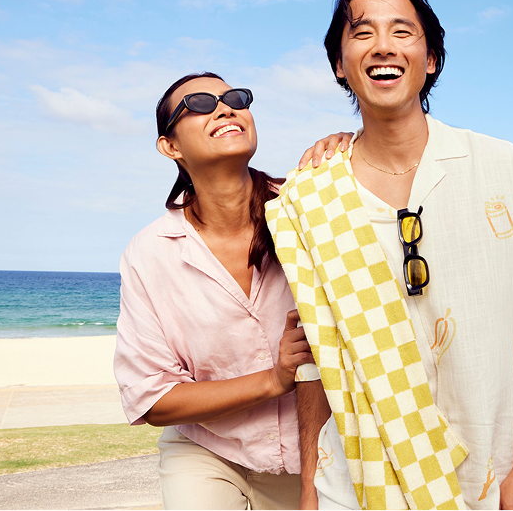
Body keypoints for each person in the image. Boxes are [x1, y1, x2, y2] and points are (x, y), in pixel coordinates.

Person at [266, 0, 513, 511]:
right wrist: (308, 486)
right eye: (362, 33)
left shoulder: (499, 165)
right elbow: (318, 355)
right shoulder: (313, 193)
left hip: (487, 475)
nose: (383, 46)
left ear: (431, 57)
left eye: (402, 31)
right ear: (340, 64)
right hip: (356, 481)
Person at [113, 72, 350, 511]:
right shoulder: (149, 253)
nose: (225, 109)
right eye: (200, 104)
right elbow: (153, 399)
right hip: (208, 450)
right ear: (170, 146)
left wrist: (354, 145)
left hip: (319, 452)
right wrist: (274, 379)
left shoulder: (308, 210)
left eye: (235, 99)